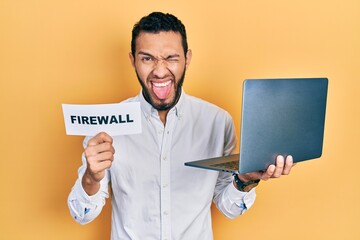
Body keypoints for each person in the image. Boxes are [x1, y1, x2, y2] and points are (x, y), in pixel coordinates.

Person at [68, 12, 295, 240]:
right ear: (132, 60)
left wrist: (246, 179)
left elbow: (229, 208)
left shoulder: (217, 122)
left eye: (171, 58)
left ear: (187, 58)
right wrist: (91, 177)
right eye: (147, 58)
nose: (159, 70)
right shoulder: (107, 127)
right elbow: (81, 214)